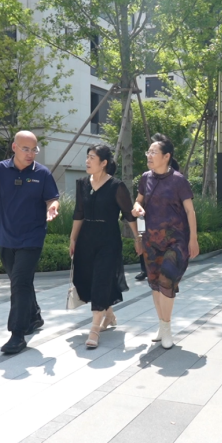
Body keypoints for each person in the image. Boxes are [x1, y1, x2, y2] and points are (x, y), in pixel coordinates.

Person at [0, 131, 58, 355]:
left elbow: (52, 197)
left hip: (32, 238)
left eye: (34, 149)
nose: (30, 154)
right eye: (25, 149)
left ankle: (17, 335)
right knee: (21, 282)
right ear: (14, 147)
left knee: (19, 283)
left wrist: (52, 206)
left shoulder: (42, 173)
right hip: (6, 237)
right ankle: (34, 316)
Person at [70, 145, 142, 350]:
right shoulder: (82, 183)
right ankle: (108, 314)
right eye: (87, 157)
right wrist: (73, 239)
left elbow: (128, 215)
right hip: (86, 239)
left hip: (108, 239)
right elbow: (79, 213)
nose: (87, 161)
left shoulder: (116, 186)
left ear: (103, 163)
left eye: (92, 157)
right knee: (86, 280)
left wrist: (138, 238)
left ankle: (94, 329)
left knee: (101, 280)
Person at [132, 138, 200, 349]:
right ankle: (162, 326)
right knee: (154, 283)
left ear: (166, 156)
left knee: (167, 281)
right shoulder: (145, 178)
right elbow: (138, 201)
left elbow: (190, 211)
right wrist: (137, 208)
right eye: (148, 152)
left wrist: (193, 239)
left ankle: (167, 328)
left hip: (176, 240)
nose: (149, 156)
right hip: (151, 240)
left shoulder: (179, 180)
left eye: (153, 152)